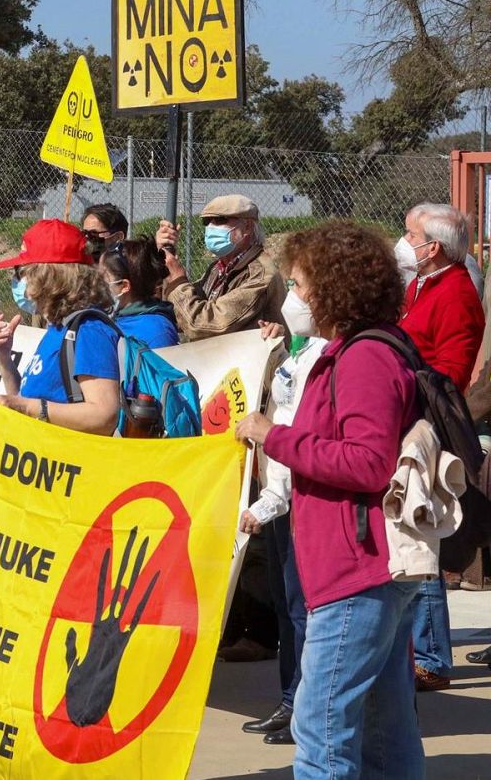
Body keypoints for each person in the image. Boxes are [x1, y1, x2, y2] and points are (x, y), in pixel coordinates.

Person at [234, 220, 424, 778]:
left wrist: (275, 437)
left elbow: (368, 462)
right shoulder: (358, 349)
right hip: (363, 566)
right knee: (385, 730)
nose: (291, 296)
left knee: (320, 730)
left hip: (356, 571)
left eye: (298, 284)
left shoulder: (363, 357)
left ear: (332, 286)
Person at [395, 203, 483, 692]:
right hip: (409, 417)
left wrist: (403, 381)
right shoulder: (421, 285)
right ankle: (418, 649)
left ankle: (431, 656)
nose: (402, 240)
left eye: (409, 234)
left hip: (427, 425)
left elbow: (452, 369)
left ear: (432, 248)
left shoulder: (456, 294)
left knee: (421, 537)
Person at [238, 298, 326, 746]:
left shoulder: (323, 357)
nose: (291, 296)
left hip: (294, 502)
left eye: (299, 285)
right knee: (288, 607)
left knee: (301, 611)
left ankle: (306, 708)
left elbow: (295, 433)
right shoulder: (298, 349)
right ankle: (292, 699)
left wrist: (270, 500)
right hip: (278, 497)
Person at [0, 219, 123, 434]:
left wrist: (28, 407)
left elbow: (104, 415)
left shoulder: (89, 330)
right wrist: (4, 358)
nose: (16, 280)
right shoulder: (59, 327)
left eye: (21, 272)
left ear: (48, 276)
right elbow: (27, 401)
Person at [157, 195, 285, 339]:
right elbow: (180, 315)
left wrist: (178, 281)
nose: (211, 227)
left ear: (247, 227)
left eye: (220, 220)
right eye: (207, 221)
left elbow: (202, 324)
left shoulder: (260, 275)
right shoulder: (218, 267)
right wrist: (162, 258)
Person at [99, 236, 179, 349]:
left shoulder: (157, 333)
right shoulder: (114, 317)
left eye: (103, 277)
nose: (97, 282)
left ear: (124, 286)